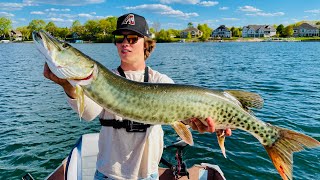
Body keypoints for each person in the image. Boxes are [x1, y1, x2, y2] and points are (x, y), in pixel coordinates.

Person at [43, 13, 231, 180]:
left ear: (146, 44)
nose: (125, 43)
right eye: (119, 38)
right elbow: (89, 114)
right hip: (108, 174)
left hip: (147, 175)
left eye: (132, 38)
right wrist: (68, 85)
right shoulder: (105, 77)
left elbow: (184, 114)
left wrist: (208, 123)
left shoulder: (161, 80)